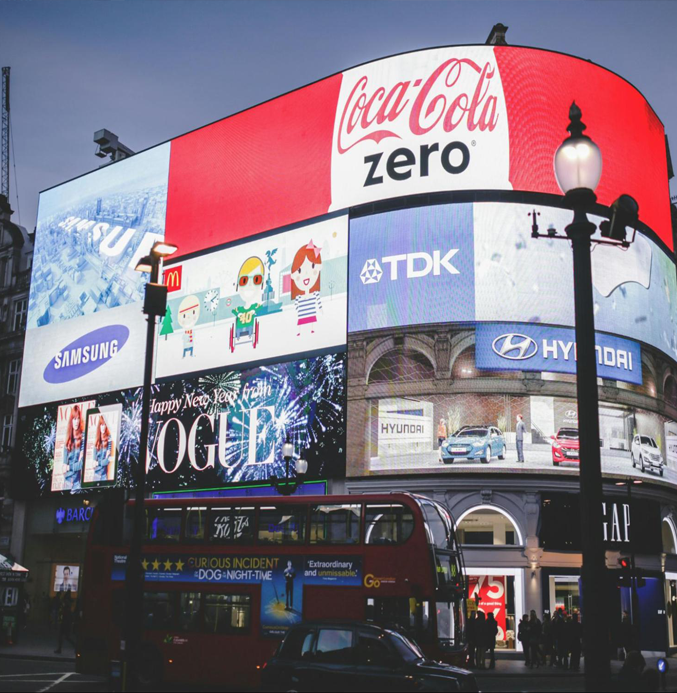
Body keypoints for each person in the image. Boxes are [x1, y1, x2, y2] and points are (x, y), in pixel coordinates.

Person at [291, 241, 323, 337]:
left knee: (312, 321)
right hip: (302, 314)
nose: (305, 274)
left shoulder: (315, 293)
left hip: (311, 313)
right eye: (299, 271)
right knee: (301, 322)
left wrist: (321, 310)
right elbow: (296, 306)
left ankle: (312, 330)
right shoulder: (299, 297)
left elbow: (318, 302)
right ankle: (299, 332)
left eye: (312, 266)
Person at [64, 405, 85, 490]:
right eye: (74, 419)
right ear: (71, 420)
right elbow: (63, 467)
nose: (76, 422)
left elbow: (81, 464)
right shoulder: (68, 438)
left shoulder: (83, 436)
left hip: (77, 483)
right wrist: (66, 466)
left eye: (78, 418)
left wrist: (69, 467)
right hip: (66, 482)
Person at [93, 415, 113, 482]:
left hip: (104, 475)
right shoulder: (96, 441)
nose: (103, 427)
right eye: (101, 425)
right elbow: (93, 463)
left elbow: (107, 460)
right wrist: (101, 462)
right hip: (96, 475)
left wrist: (98, 463)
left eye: (104, 425)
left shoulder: (109, 439)